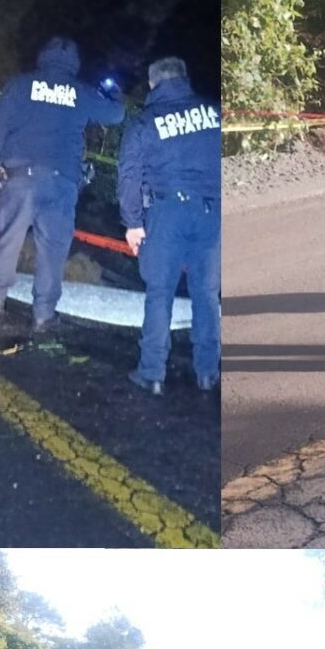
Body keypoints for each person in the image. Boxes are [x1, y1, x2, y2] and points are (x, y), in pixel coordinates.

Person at [0, 37, 124, 333]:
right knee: (53, 250)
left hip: (20, 176)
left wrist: (0, 157)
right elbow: (116, 115)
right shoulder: (81, 92)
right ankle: (43, 315)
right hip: (61, 182)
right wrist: (112, 92)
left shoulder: (21, 84)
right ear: (74, 63)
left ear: (42, 57)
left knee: (8, 239)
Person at [118, 57, 222, 395]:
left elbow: (129, 176)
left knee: (159, 292)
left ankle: (153, 373)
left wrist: (133, 223)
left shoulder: (145, 123)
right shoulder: (214, 112)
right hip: (211, 213)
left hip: (166, 214)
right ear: (184, 78)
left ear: (152, 85)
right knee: (206, 294)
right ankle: (208, 372)